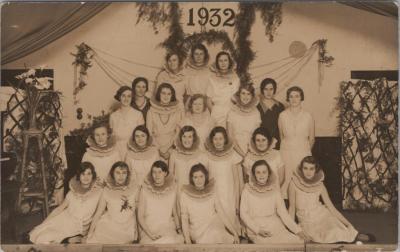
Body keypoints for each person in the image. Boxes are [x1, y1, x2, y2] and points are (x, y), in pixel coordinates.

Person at [288, 156, 375, 244]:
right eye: (305, 168)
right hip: (307, 222)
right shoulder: (293, 184)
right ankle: (353, 236)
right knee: (322, 237)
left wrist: (349, 224)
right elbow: (292, 208)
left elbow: (331, 208)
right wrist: (292, 230)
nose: (308, 172)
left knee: (336, 230)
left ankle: (356, 235)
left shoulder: (320, 185)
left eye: (311, 169)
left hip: (323, 216)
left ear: (316, 170)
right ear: (301, 169)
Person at [29, 162, 102, 244]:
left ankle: (66, 240)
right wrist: (43, 223)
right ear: (79, 176)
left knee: (44, 239)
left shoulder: (98, 193)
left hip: (77, 227)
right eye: (83, 174)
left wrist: (89, 234)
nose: (86, 177)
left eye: (89, 174)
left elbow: (98, 214)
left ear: (93, 176)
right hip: (63, 221)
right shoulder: (73, 192)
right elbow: (59, 209)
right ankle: (64, 241)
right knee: (40, 237)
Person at [240, 160, 308, 244]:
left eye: (264, 172)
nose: (261, 175)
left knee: (296, 241)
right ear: (254, 175)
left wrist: (297, 230)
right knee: (270, 245)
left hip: (275, 225)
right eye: (258, 172)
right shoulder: (247, 190)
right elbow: (243, 214)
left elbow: (283, 213)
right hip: (256, 228)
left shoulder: (275, 190)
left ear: (269, 174)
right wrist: (257, 230)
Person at [180, 164, 240, 244]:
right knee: (210, 237)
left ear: (206, 177)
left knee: (216, 233)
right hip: (197, 230)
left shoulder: (212, 190)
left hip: (214, 225)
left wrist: (234, 232)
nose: (199, 180)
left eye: (201, 176)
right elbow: (184, 218)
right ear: (192, 179)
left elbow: (221, 213)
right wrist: (187, 240)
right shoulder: (185, 194)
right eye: (195, 177)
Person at [86, 161, 139, 244]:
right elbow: (98, 213)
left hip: (127, 228)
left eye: (124, 173)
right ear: (112, 174)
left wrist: (137, 232)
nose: (121, 176)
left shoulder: (134, 190)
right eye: (117, 173)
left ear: (127, 175)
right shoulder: (106, 191)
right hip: (109, 225)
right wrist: (90, 233)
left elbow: (137, 212)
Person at [204, 126, 242, 235]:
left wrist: (237, 201)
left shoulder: (232, 155)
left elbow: (236, 180)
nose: (218, 142)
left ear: (225, 139)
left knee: (229, 214)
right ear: (212, 140)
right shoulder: (207, 156)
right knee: (218, 220)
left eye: (220, 139)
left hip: (229, 193)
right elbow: (206, 179)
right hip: (215, 192)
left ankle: (233, 235)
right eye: (215, 139)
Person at [279, 86, 314, 198]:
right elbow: (281, 136)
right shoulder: (282, 115)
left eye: (297, 96)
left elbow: (312, 138)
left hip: (303, 151)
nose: (294, 99)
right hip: (286, 152)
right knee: (287, 178)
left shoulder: (308, 116)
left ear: (301, 98)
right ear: (288, 99)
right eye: (291, 96)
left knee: (301, 177)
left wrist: (305, 152)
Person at [138, 161, 184, 244]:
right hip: (149, 229)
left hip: (167, 228)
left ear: (165, 173)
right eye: (154, 172)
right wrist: (150, 234)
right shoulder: (144, 190)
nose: (157, 175)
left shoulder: (172, 190)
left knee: (170, 241)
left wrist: (179, 230)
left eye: (160, 172)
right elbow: (140, 216)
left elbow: (175, 213)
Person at [241, 127, 286, 194]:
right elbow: (246, 179)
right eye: (258, 140)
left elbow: (281, 178)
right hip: (254, 194)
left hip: (273, 193)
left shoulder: (277, 155)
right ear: (254, 142)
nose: (261, 143)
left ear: (269, 141)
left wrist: (271, 192)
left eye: (263, 140)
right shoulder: (248, 157)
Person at [146, 83, 183, 160]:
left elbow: (178, 132)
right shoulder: (151, 111)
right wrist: (159, 149)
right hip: (155, 147)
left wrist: (167, 149)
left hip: (172, 147)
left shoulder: (177, 111)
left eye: (169, 94)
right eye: (163, 93)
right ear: (159, 94)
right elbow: (148, 133)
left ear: (172, 96)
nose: (166, 96)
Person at [207, 51, 240, 127]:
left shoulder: (235, 78)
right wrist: (214, 112)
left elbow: (238, 98)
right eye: (220, 61)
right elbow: (208, 99)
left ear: (229, 62)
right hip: (217, 111)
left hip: (232, 110)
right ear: (217, 63)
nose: (223, 63)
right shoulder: (212, 79)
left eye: (225, 60)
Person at [110, 86, 145, 157]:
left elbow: (142, 135)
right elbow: (112, 136)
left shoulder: (138, 114)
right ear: (119, 97)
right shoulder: (113, 116)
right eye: (123, 96)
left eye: (129, 96)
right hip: (117, 150)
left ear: (132, 98)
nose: (126, 99)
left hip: (133, 149)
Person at [227, 84, 261, 157]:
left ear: (252, 96)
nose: (245, 96)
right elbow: (230, 137)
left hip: (252, 150)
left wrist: (250, 153)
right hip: (235, 149)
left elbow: (257, 135)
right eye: (243, 93)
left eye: (248, 94)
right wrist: (243, 154)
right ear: (239, 95)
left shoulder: (256, 112)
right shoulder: (232, 112)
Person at [257, 78, 285, 149]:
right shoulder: (257, 106)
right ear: (262, 90)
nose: (268, 92)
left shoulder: (280, 106)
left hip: (278, 143)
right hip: (262, 143)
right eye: (266, 89)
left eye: (271, 89)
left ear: (274, 90)